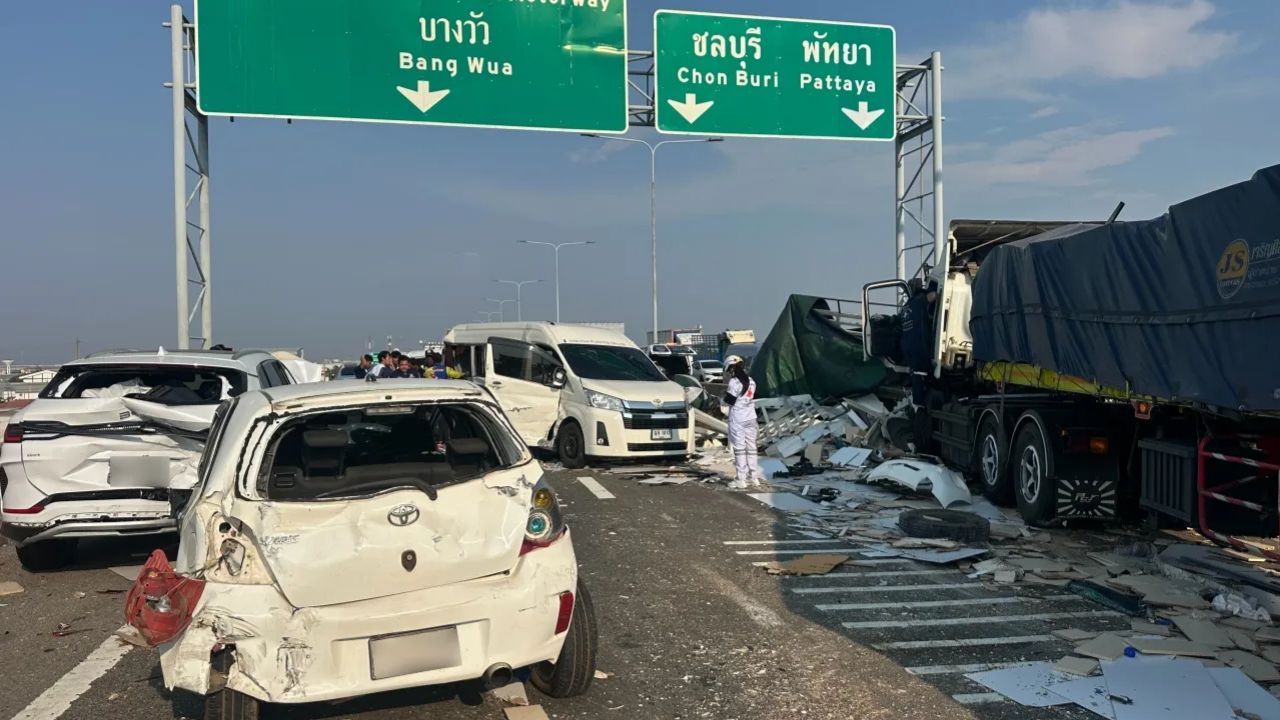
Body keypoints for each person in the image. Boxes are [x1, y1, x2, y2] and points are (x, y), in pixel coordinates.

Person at [722, 355, 760, 490]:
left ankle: (741, 479)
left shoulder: (734, 383)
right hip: (751, 417)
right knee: (751, 448)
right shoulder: (751, 381)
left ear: (731, 369)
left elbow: (730, 401)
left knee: (739, 449)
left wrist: (721, 399)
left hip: (738, 418)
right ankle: (754, 477)